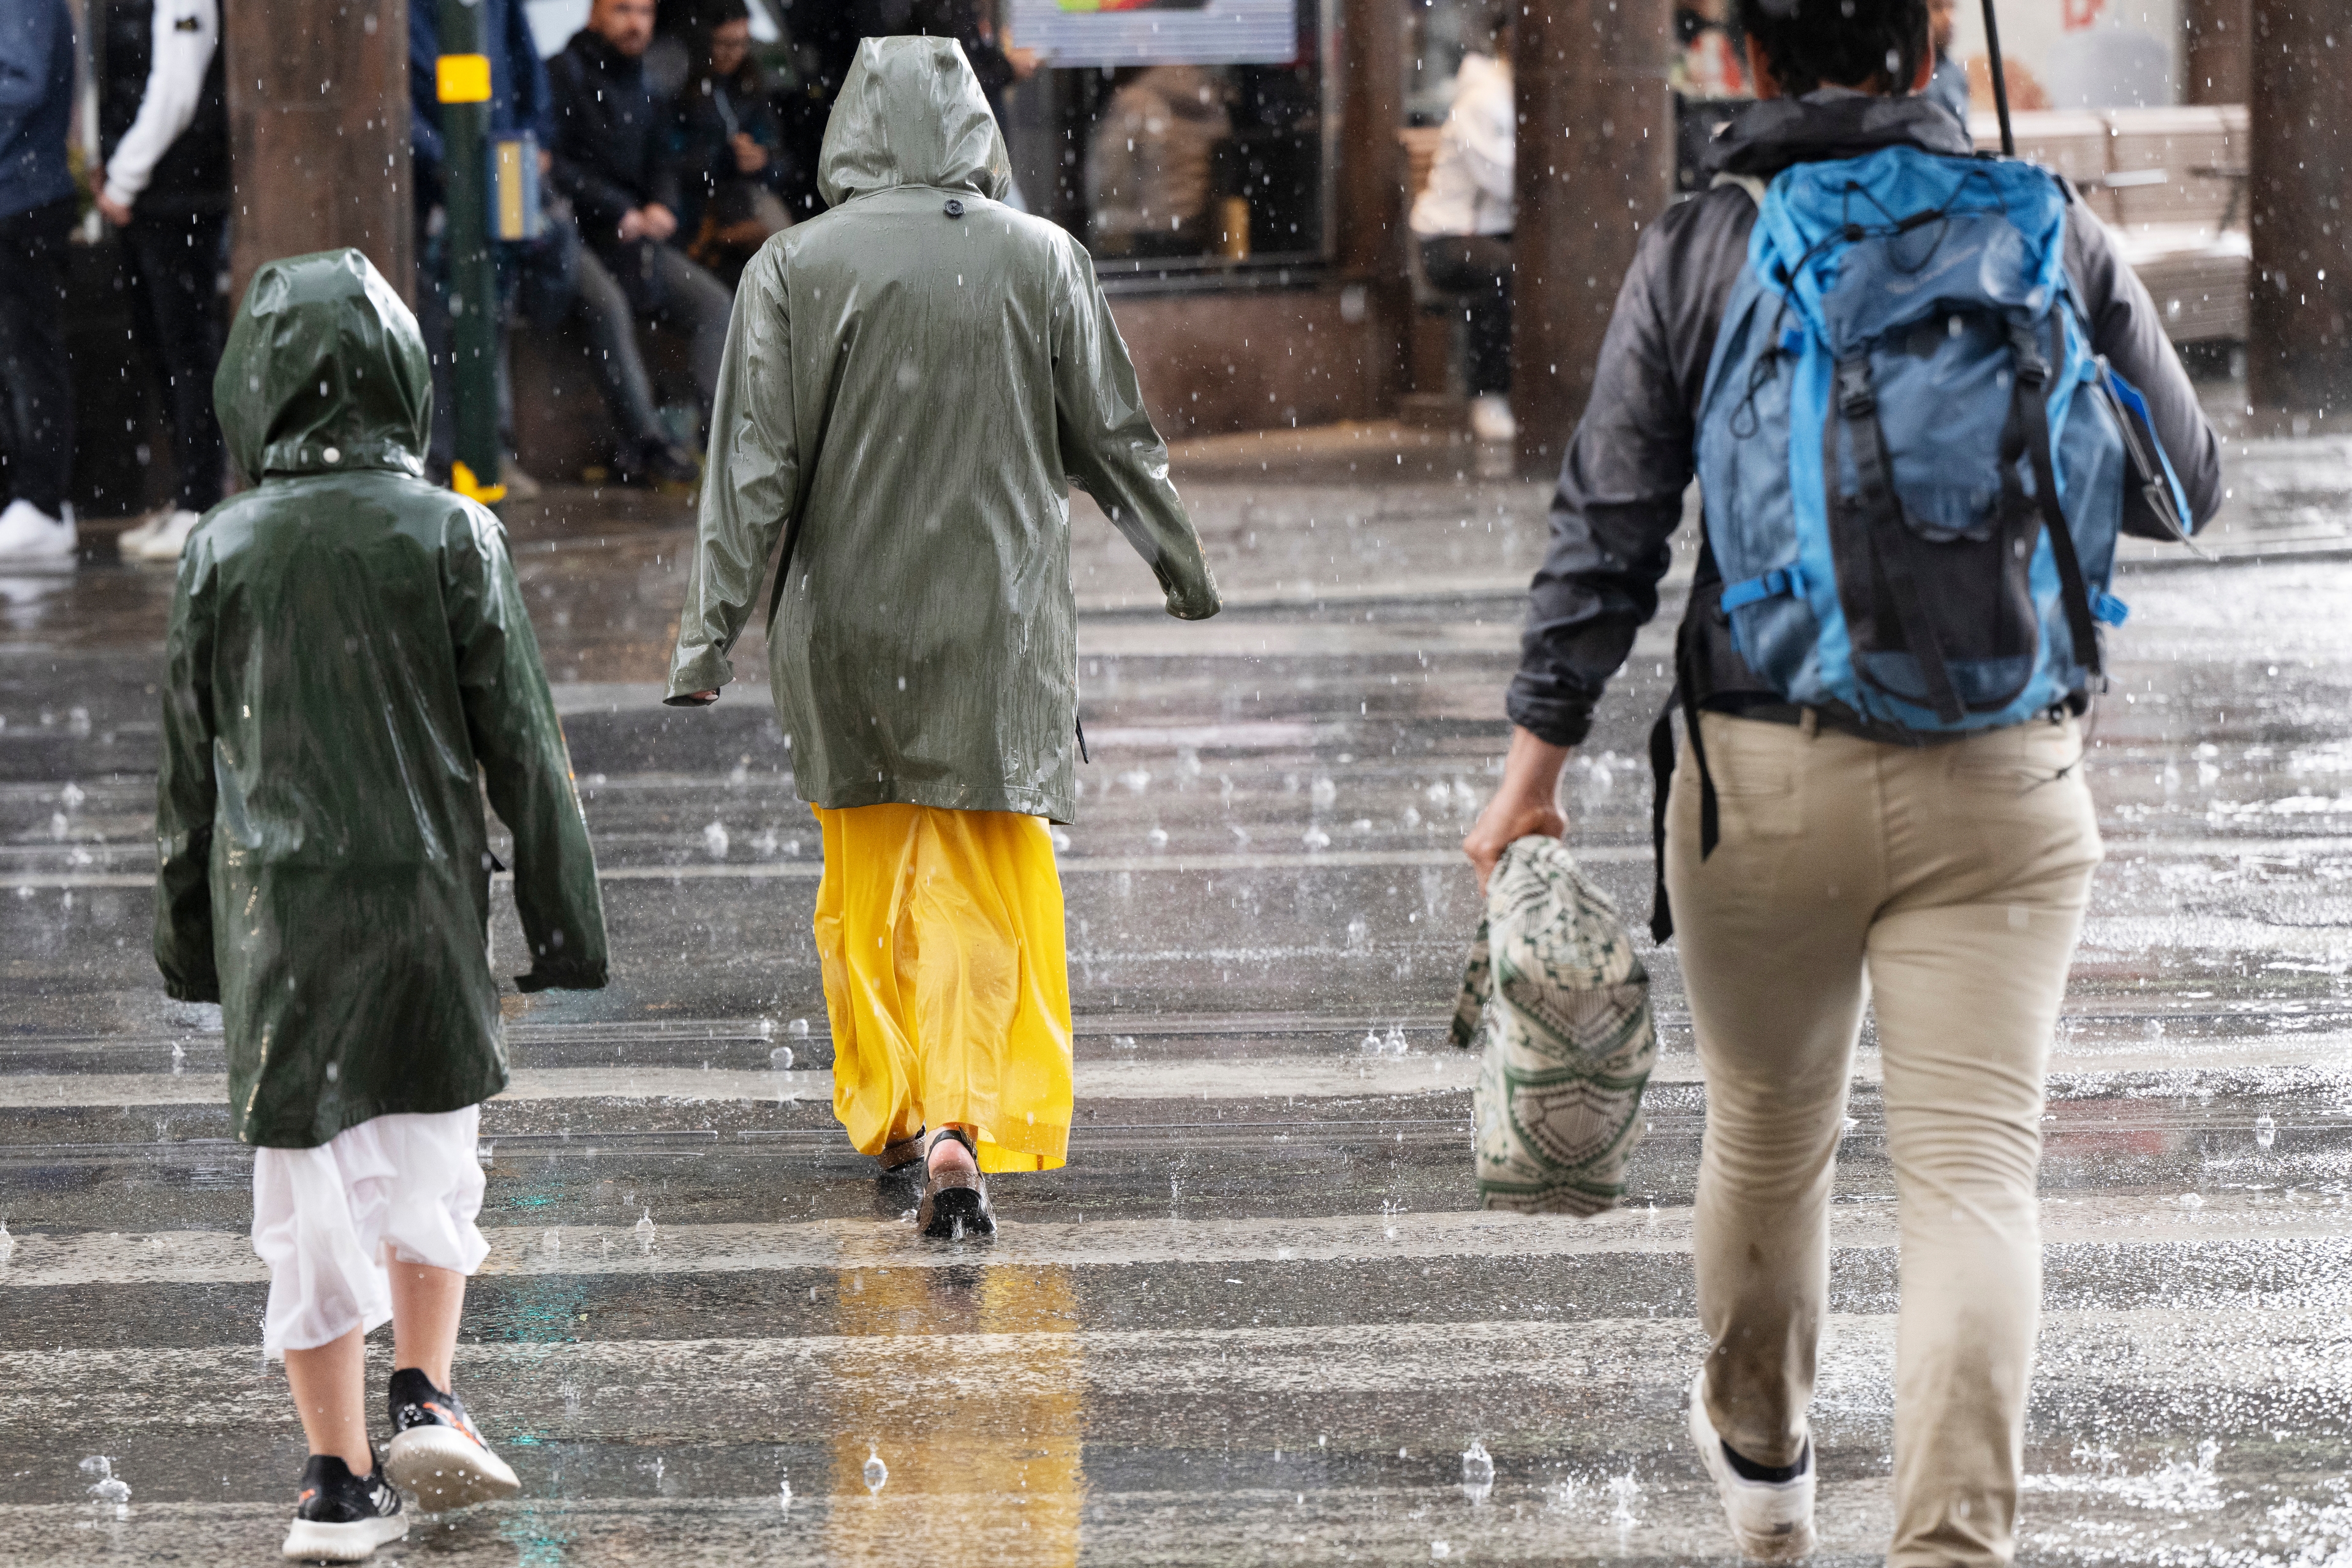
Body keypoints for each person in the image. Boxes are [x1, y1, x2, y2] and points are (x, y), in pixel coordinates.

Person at [1460, 1, 2222, 1563]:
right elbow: (2184, 484)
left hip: (1763, 768)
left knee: (1763, 1126)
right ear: (1935, 35)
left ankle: (1763, 1458)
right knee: (1971, 1175)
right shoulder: (2045, 223)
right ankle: (1948, 1543)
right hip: (2009, 773)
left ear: (1736, 56)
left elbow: (1608, 531)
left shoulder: (1702, 243)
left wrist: (1528, 771)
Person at [664, 37, 1219, 1237]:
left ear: (852, 131)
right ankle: (967, 1116)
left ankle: (904, 1110)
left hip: (845, 629)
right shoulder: (1043, 260)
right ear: (977, 125)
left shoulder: (792, 270)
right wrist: (1182, 564)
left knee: (866, 883)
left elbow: (750, 476)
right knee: (980, 875)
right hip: (997, 625)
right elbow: (1115, 438)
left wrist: (706, 640)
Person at [154, 249, 608, 1561]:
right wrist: (562, 921)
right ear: (404, 376)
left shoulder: (220, 549)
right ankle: (430, 1384)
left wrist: (192, 942)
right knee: (431, 1156)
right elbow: (524, 742)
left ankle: (337, 1477)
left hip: (282, 921)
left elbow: (188, 776)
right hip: (424, 901)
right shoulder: (453, 531)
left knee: (305, 1193)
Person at [548, 0, 735, 477]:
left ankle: (722, 442)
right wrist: (617, 208)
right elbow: (550, 164)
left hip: (638, 239)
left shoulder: (646, 82)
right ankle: (649, 445)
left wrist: (662, 206)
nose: (637, 23)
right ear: (595, 13)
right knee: (607, 307)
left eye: (647, 12)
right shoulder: (561, 73)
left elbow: (662, 159)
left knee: (718, 308)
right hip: (575, 234)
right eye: (623, 10)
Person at [97, 0, 230, 564]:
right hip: (158, 193)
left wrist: (124, 175)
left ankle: (201, 501)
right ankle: (186, 497)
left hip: (179, 193)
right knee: (165, 347)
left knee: (188, 349)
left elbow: (176, 88)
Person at [1406, 19, 1515, 445]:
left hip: (1500, 232)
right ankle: (1488, 395)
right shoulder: (1484, 101)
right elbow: (1506, 179)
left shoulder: (1520, 96)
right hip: (1448, 238)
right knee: (1506, 272)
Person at [0, 0, 79, 564]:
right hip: (17, 192)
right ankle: (25, 496)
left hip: (23, 195)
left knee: (29, 352)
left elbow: (21, 82)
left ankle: (42, 499)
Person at [674, 0, 794, 285]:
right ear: (702, 40)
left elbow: (781, 158)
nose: (733, 54)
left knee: (787, 252)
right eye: (724, 44)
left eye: (741, 44)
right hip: (697, 207)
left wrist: (762, 159)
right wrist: (722, 158)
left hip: (747, 196)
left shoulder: (749, 83)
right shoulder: (679, 86)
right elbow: (668, 161)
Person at [1085, 66, 1231, 258]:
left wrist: (1110, 229)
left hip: (1145, 236)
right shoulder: (1208, 100)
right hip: (1197, 237)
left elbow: (1110, 178)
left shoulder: (1136, 101)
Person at [1923, 0, 1970, 123]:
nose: (1950, 19)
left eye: (1952, 7)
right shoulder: (1905, 75)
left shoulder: (1956, 73)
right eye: (1937, 8)